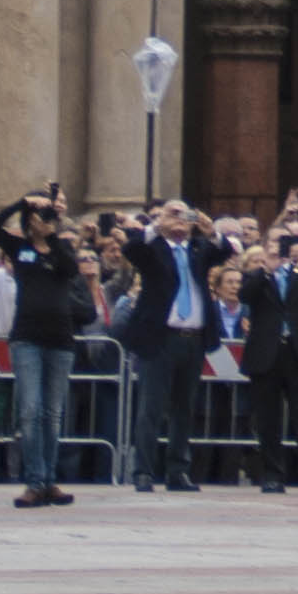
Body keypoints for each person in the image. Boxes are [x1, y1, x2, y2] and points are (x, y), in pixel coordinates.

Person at [0, 192, 90, 507]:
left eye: (48, 217)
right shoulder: (20, 249)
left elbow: (70, 270)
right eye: (41, 217)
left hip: (60, 339)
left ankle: (49, 480)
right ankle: (34, 480)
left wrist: (53, 234)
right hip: (27, 336)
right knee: (30, 411)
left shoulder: (60, 249)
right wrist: (22, 204)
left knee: (52, 414)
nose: (45, 221)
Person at [115, 200, 225, 494]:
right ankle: (143, 472)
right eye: (172, 214)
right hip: (161, 337)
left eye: (183, 214)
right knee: (151, 407)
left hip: (193, 338)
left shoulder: (199, 249)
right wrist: (157, 225)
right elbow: (131, 250)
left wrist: (210, 230)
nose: (179, 220)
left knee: (184, 408)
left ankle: (178, 471)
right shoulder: (153, 247)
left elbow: (225, 251)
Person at [233, 226, 298, 495]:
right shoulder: (258, 274)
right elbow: (245, 295)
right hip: (266, 353)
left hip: (297, 352)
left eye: (287, 241)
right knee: (268, 420)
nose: (283, 246)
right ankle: (272, 475)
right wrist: (267, 268)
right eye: (278, 241)